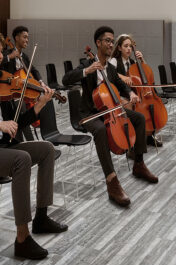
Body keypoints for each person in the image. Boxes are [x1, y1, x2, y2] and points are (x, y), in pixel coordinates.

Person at [0, 29, 67, 260]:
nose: (1, 56)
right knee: (23, 159)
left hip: (4, 147)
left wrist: (39, 104)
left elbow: (17, 122)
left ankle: (41, 217)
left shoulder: (2, 82)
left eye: (1, 51)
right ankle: (22, 238)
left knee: (47, 149)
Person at [62, 26, 158, 208]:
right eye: (107, 40)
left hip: (110, 110)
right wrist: (87, 71)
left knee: (137, 118)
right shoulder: (87, 63)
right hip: (90, 113)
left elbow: (122, 85)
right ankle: (112, 181)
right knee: (99, 130)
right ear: (98, 43)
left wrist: (130, 94)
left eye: (112, 41)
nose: (110, 44)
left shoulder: (110, 68)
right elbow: (66, 79)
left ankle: (138, 164)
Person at [112, 33, 161, 147]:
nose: (129, 49)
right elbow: (109, 74)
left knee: (149, 107)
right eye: (125, 46)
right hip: (121, 95)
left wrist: (142, 60)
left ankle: (149, 135)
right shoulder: (114, 61)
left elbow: (146, 74)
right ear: (119, 48)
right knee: (132, 108)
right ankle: (132, 144)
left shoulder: (133, 63)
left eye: (130, 46)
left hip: (134, 94)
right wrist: (121, 76)